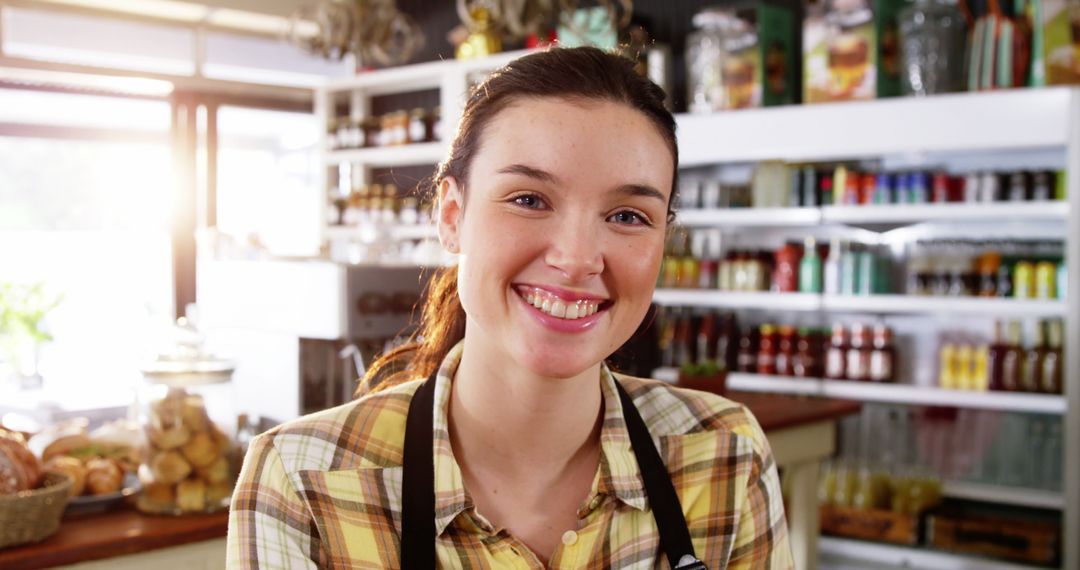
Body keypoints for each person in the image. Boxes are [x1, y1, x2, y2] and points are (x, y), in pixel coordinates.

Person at [227, 46, 793, 569]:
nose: (576, 260)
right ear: (452, 216)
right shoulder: (302, 482)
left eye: (627, 216)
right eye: (529, 199)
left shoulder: (724, 454)